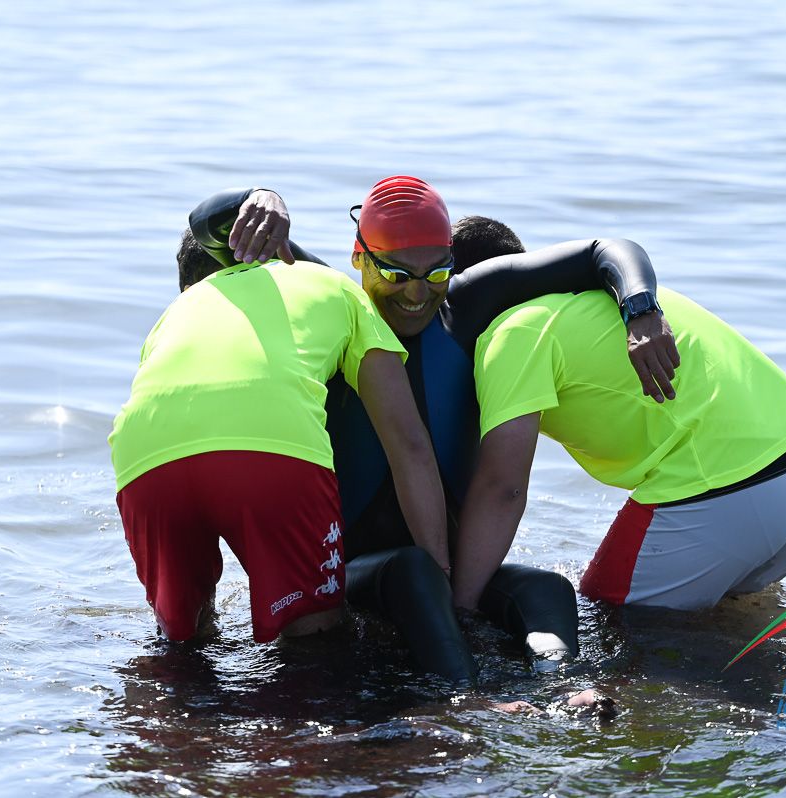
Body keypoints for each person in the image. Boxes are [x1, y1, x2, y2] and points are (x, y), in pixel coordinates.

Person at [186, 178, 680, 681]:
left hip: (449, 579)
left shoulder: (467, 306)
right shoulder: (327, 298)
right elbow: (209, 226)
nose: (417, 293)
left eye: (437, 272)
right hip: (355, 576)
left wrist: (641, 309)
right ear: (360, 258)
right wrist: (263, 199)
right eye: (396, 274)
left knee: (545, 589)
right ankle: (462, 700)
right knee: (411, 570)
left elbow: (605, 251)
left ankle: (560, 684)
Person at [448, 217, 786, 613]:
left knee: (609, 618)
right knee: (726, 628)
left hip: (724, 490)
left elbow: (503, 488)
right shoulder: (597, 297)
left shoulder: (511, 333)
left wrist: (461, 607)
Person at [109, 229, 448, 645]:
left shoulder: (178, 309)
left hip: (143, 458)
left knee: (182, 643)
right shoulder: (335, 285)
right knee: (314, 639)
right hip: (271, 452)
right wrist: (442, 581)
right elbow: (409, 445)